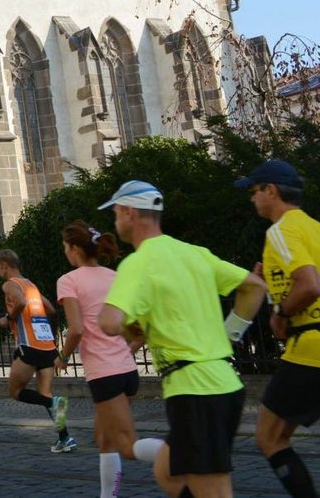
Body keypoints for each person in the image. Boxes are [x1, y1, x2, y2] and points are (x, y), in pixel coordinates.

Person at [98, 180, 267, 498]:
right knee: (167, 470)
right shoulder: (194, 254)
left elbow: (108, 321)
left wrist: (126, 327)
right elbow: (255, 287)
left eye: (116, 214)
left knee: (213, 490)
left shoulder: (138, 262)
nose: (116, 221)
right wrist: (230, 334)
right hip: (222, 383)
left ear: (128, 212)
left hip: (195, 390)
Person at [238, 160, 320, 498]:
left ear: (270, 191)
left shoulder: (280, 230)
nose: (252, 199)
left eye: (254, 191)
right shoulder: (318, 229)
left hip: (312, 349)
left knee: (270, 437)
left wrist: (280, 312)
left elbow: (309, 285)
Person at [56, 220, 164, 497]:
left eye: (66, 247)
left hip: (104, 375)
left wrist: (63, 358)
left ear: (75, 249)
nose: (65, 252)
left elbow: (77, 329)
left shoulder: (68, 281)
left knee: (126, 445)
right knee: (105, 440)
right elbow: (139, 331)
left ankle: (179, 453)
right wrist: (124, 354)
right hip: (127, 373)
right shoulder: (114, 276)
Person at [0, 248, 75, 453]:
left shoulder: (10, 285)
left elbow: (20, 302)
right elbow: (49, 308)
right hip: (47, 346)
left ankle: (54, 403)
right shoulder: (30, 284)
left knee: (15, 391)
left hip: (28, 345)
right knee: (45, 392)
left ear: (5, 265)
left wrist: (9, 319)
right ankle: (65, 438)